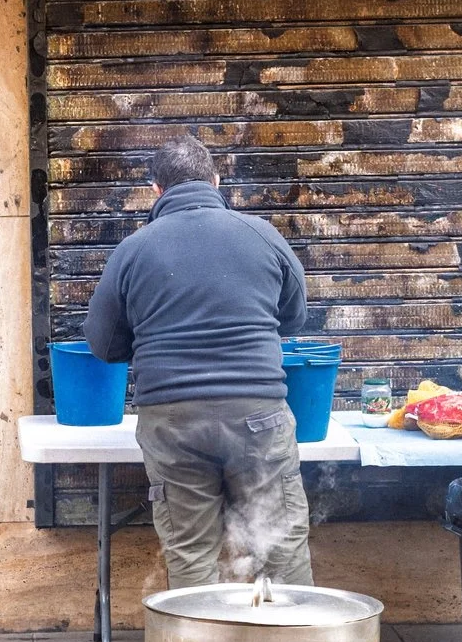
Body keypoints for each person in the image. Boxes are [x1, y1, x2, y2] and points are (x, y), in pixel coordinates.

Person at [84, 136, 313, 589]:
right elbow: (292, 318)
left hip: (173, 424)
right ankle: (293, 636)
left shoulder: (133, 249)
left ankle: (196, 638)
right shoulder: (262, 234)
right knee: (281, 548)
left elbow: (105, 344)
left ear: (156, 190)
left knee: (190, 553)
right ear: (216, 181)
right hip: (258, 417)